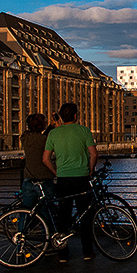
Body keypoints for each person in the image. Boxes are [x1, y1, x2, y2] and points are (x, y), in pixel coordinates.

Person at [43, 102, 98, 262]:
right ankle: (87, 252)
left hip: (63, 180)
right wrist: (90, 170)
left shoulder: (54, 133)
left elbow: (45, 158)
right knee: (85, 215)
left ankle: (62, 254)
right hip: (81, 178)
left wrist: (56, 172)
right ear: (75, 116)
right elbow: (93, 154)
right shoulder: (84, 131)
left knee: (63, 216)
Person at [20, 113, 55, 210]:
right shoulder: (46, 140)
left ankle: (22, 225)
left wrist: (50, 126)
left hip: (28, 180)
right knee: (47, 211)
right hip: (44, 181)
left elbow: (38, 137)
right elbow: (43, 138)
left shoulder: (25, 138)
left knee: (26, 210)